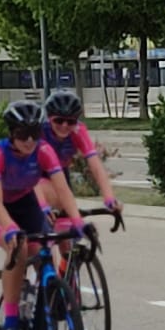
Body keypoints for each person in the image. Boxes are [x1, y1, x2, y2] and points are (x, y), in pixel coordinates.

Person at [0, 100, 85, 330]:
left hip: (26, 204)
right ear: (11, 135)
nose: (29, 141)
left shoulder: (44, 151)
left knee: (44, 252)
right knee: (19, 248)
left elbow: (63, 190)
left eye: (35, 134)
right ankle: (12, 323)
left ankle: (40, 309)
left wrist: (79, 223)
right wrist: (10, 229)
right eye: (22, 135)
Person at [40, 88, 120, 257]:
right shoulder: (40, 132)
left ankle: (66, 279)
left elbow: (96, 165)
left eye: (70, 122)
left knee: (67, 241)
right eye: (58, 120)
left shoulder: (78, 131)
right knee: (41, 238)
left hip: (61, 174)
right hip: (36, 177)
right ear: (49, 119)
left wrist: (109, 198)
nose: (64, 126)